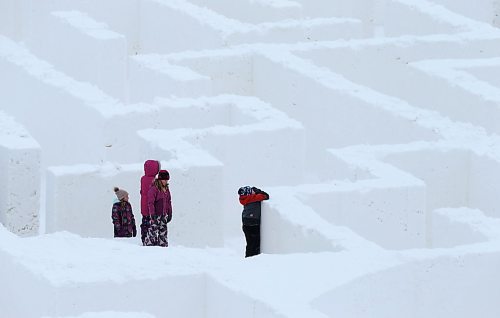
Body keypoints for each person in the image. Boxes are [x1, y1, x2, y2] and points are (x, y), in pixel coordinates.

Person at [238, 185, 269, 257]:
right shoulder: (253, 198)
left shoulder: (243, 198)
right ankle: (253, 259)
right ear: (249, 193)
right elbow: (266, 196)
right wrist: (257, 190)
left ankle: (248, 257)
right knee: (255, 244)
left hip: (246, 223)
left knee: (250, 243)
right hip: (253, 223)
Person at [145, 169, 172, 247]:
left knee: (163, 231)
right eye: (164, 180)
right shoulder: (154, 189)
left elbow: (169, 202)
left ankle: (162, 245)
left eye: (167, 180)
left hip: (164, 214)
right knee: (153, 231)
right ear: (160, 179)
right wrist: (152, 213)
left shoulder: (166, 189)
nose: (166, 181)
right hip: (156, 215)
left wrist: (169, 213)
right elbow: (150, 203)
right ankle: (149, 245)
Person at [140, 160, 160, 245]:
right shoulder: (155, 181)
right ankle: (152, 239)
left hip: (144, 206)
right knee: (152, 224)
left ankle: (144, 237)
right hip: (152, 207)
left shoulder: (143, 179)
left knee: (145, 222)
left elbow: (142, 191)